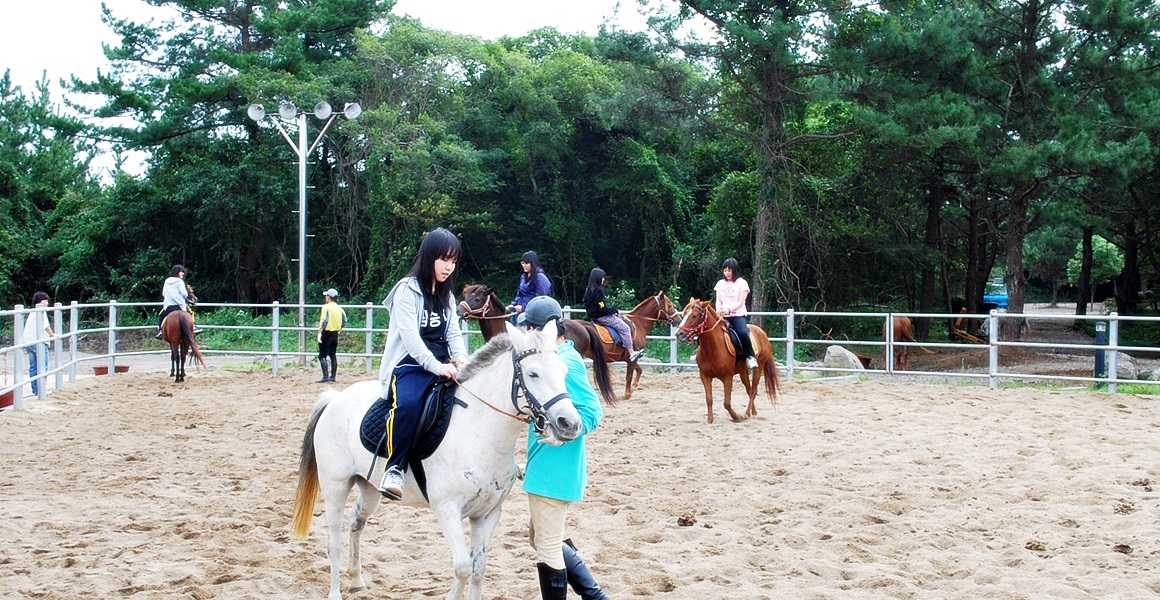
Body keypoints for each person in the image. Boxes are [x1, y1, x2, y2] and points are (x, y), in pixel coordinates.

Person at [518, 296, 610, 600]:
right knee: (543, 538)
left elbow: (593, 411)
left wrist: (565, 436)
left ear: (537, 329)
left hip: (555, 471)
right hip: (547, 468)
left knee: (547, 546)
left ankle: (595, 596)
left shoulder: (565, 362)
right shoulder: (554, 357)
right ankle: (594, 597)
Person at [377, 228, 469, 500]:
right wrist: (437, 366)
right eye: (444, 260)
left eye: (453, 262)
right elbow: (411, 340)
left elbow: (453, 333)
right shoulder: (406, 291)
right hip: (410, 365)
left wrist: (462, 358)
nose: (449, 267)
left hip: (444, 362)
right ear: (429, 257)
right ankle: (394, 467)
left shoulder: (447, 296)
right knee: (408, 406)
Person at [582, 267, 643, 362]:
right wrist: (615, 310)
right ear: (598, 278)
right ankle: (631, 353)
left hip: (594, 317)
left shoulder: (588, 291)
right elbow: (603, 309)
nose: (603, 279)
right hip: (602, 317)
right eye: (602, 277)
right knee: (625, 328)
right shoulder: (598, 292)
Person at [714, 258, 758, 369]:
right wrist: (718, 310)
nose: (727, 273)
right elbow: (718, 300)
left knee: (742, 333)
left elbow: (740, 301)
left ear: (735, 270)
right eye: (725, 271)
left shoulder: (742, 283)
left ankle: (750, 356)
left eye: (729, 270)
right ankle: (700, 354)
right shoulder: (720, 283)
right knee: (706, 329)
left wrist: (729, 310)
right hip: (722, 315)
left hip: (737, 315)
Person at [22, 291, 56, 396]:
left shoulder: (33, 312)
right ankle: (41, 390)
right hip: (38, 342)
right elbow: (46, 326)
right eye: (44, 301)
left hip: (28, 341)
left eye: (46, 301)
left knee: (33, 367)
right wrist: (52, 335)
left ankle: (36, 390)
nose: (46, 303)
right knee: (43, 366)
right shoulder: (40, 311)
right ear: (39, 302)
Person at [155, 264, 202, 339]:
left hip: (169, 305)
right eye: (181, 272)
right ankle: (193, 327)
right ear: (177, 272)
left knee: (161, 316)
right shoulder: (180, 281)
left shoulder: (167, 281)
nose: (183, 273)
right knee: (190, 313)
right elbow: (184, 294)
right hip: (180, 305)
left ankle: (160, 331)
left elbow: (164, 293)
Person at [316, 288, 347, 383]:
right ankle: (333, 376)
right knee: (333, 355)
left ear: (329, 297)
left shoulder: (326, 307)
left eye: (326, 296)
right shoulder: (340, 308)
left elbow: (324, 320)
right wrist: (339, 329)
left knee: (322, 355)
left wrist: (320, 332)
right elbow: (345, 321)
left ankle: (325, 376)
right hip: (335, 334)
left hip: (327, 332)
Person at [509, 251, 552, 317]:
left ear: (533, 263)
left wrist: (523, 308)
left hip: (534, 315)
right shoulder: (523, 277)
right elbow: (520, 294)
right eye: (523, 263)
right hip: (518, 313)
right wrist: (513, 304)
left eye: (527, 263)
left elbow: (541, 298)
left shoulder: (540, 277)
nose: (524, 266)